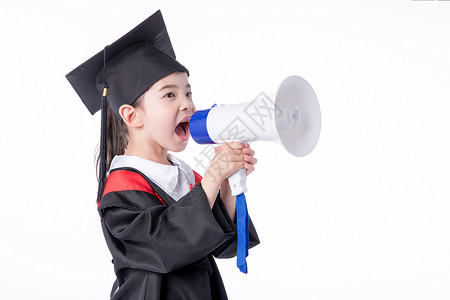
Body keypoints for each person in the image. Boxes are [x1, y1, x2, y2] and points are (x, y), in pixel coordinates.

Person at [66, 10, 259, 300]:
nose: (188, 105)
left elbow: (225, 247)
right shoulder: (120, 189)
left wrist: (227, 185)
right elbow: (166, 245)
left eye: (188, 93)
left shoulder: (185, 176)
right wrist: (212, 178)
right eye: (170, 95)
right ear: (132, 115)